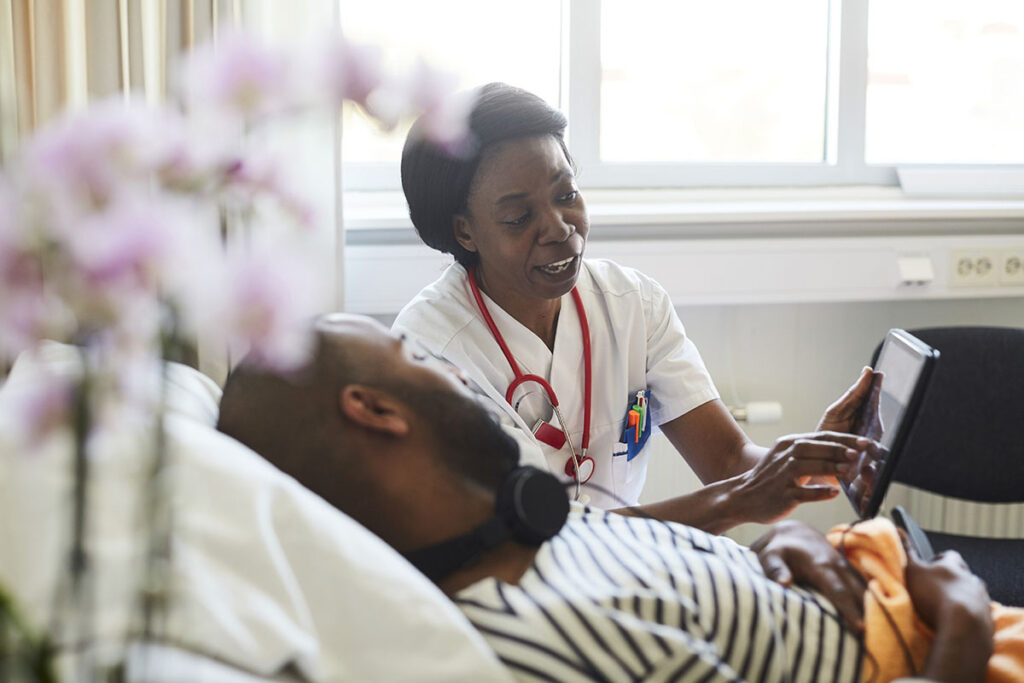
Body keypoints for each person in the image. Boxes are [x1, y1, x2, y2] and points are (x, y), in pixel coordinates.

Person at [217, 313, 1016, 683]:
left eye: (567, 193)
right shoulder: (541, 641)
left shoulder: (528, 537)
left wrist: (779, 544)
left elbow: (720, 513)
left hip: (886, 593)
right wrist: (965, 621)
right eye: (412, 358)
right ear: (376, 410)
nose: (453, 373)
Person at [392, 81, 875, 529]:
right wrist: (740, 500)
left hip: (626, 575)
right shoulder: (430, 352)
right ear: (464, 231)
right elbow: (539, 534)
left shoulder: (632, 304)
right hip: (515, 589)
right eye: (519, 217)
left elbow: (728, 461)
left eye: (567, 194)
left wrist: (812, 462)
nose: (560, 228)